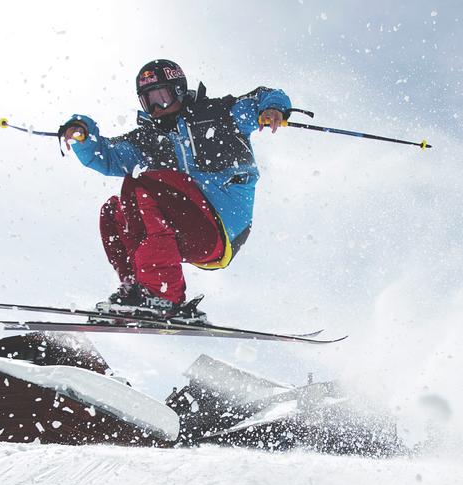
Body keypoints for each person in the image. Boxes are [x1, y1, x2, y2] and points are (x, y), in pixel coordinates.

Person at [59, 59, 290, 322]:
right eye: (149, 101)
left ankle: (164, 294)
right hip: (188, 227)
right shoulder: (147, 137)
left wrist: (272, 107)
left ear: (178, 90)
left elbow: (259, 98)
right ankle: (136, 288)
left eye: (162, 97)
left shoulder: (219, 114)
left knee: (143, 185)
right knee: (114, 211)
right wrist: (82, 131)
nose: (157, 107)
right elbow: (107, 157)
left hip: (222, 223)